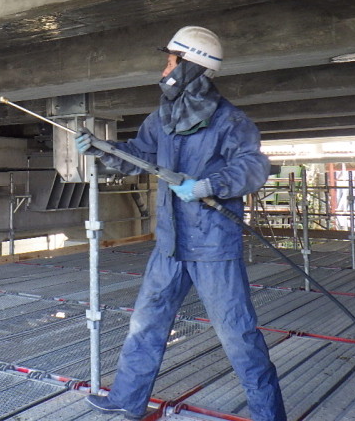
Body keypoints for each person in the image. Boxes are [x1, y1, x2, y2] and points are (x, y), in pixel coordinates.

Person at [76, 26, 286, 421]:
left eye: (170, 60)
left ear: (188, 67)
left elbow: (254, 166)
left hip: (213, 248)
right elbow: (138, 153)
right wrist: (103, 149)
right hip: (170, 246)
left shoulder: (229, 121)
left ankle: (268, 415)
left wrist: (209, 184)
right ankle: (127, 398)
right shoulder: (164, 117)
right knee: (146, 324)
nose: (164, 67)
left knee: (238, 335)